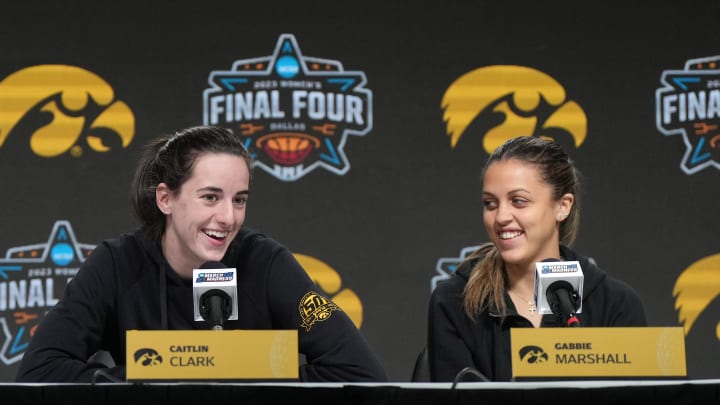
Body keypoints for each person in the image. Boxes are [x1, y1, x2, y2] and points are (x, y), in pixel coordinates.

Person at [16, 125, 388, 383]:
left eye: (239, 200)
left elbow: (360, 373)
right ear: (165, 199)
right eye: (210, 197)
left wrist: (251, 384)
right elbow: (39, 372)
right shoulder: (116, 264)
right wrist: (156, 378)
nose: (228, 218)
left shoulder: (266, 263)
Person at [427, 136, 647, 382]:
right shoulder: (454, 301)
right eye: (490, 203)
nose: (500, 217)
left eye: (518, 201)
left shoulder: (615, 305)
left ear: (562, 206)